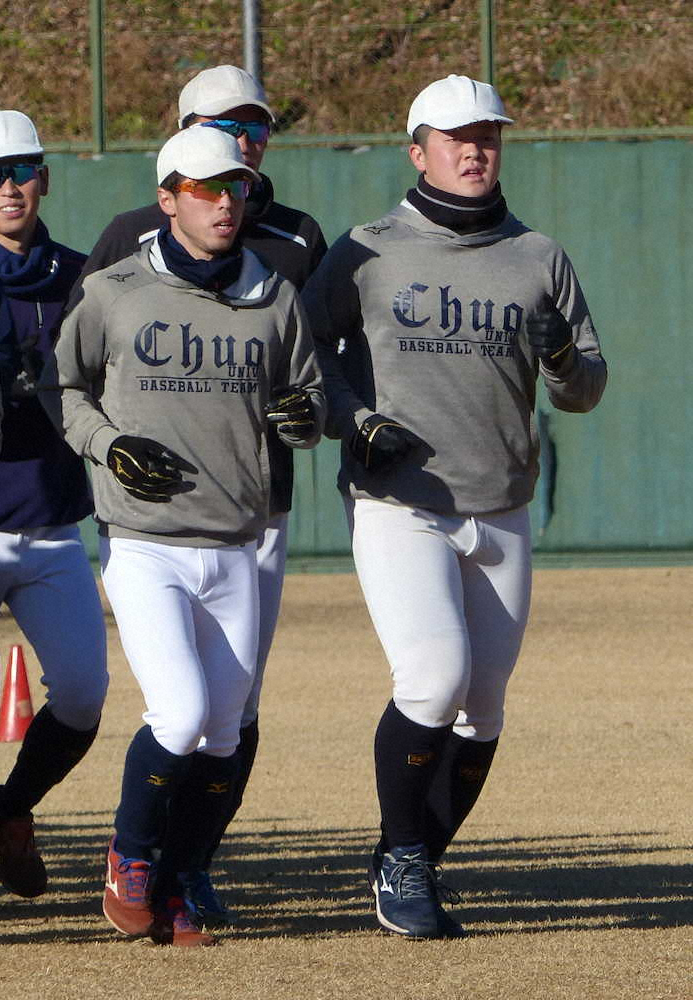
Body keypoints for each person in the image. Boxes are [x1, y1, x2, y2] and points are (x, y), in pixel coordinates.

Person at [302, 74, 607, 940]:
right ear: (418, 151)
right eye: (456, 137)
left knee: (484, 707)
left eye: (488, 136)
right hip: (401, 501)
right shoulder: (367, 250)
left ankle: (411, 857)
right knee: (434, 679)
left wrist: (562, 361)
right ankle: (404, 861)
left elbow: (585, 387)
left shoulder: (538, 255)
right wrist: (352, 420)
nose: (476, 150)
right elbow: (305, 351)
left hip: (501, 503)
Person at [40, 125, 324, 946]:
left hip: (236, 539)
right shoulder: (116, 290)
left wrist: (304, 419)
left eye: (235, 186)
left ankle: (172, 888)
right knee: (181, 711)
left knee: (226, 731)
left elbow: (309, 400)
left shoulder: (273, 295)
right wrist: (107, 444)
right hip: (145, 541)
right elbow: (64, 387)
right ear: (167, 200)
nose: (225, 202)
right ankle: (128, 856)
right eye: (205, 189)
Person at [0, 111, 108, 900]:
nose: (8, 187)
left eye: (21, 170)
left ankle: (10, 810)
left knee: (81, 693)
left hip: (50, 519)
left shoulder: (82, 276)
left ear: (44, 178)